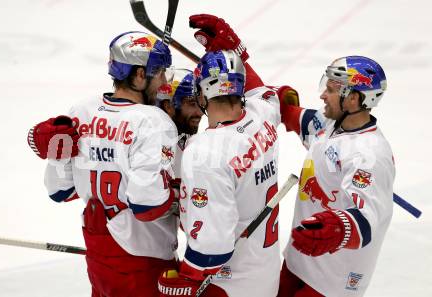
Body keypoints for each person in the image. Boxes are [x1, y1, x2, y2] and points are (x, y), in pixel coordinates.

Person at [27, 31, 180, 297]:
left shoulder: (81, 110)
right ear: (140, 75)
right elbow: (148, 204)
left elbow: (59, 190)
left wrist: (57, 157)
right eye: (160, 74)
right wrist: (179, 191)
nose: (165, 83)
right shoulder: (152, 121)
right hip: (144, 262)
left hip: (98, 257)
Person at [157, 15, 285, 297]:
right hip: (264, 277)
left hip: (228, 285)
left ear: (201, 95)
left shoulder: (205, 152)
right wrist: (235, 52)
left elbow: (212, 248)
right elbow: (261, 90)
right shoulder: (262, 114)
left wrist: (188, 276)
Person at [277, 56, 395, 297]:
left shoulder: (370, 155)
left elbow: (366, 221)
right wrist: (236, 59)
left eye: (330, 90)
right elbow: (292, 114)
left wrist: (337, 227)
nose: (322, 95)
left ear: (353, 98)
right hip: (298, 262)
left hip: (330, 283)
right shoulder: (330, 125)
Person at [156, 68, 204, 178]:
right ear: (168, 106)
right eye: (192, 104)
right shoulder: (156, 143)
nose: (200, 112)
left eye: (200, 103)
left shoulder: (183, 133)